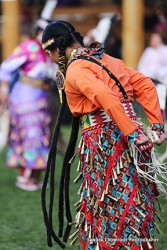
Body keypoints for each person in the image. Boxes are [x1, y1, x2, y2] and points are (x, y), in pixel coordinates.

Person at [41, 20, 167, 250]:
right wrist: (156, 125)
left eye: (49, 52)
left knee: (108, 203)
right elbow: (146, 85)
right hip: (131, 134)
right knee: (132, 200)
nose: (49, 58)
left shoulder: (77, 68)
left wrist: (131, 133)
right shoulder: (107, 59)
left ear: (57, 49)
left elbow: (104, 94)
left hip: (106, 142)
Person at [0, 18, 64, 191]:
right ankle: (25, 177)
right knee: (32, 136)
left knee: (42, 136)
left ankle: (34, 177)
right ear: (38, 33)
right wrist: (4, 89)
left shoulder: (49, 52)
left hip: (42, 97)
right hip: (26, 98)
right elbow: (6, 67)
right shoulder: (29, 47)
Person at [137, 32, 167, 122]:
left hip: (160, 79)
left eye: (155, 38)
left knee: (160, 95)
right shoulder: (148, 51)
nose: (152, 41)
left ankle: (160, 117)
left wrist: (158, 74)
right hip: (146, 77)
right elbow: (141, 65)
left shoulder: (164, 50)